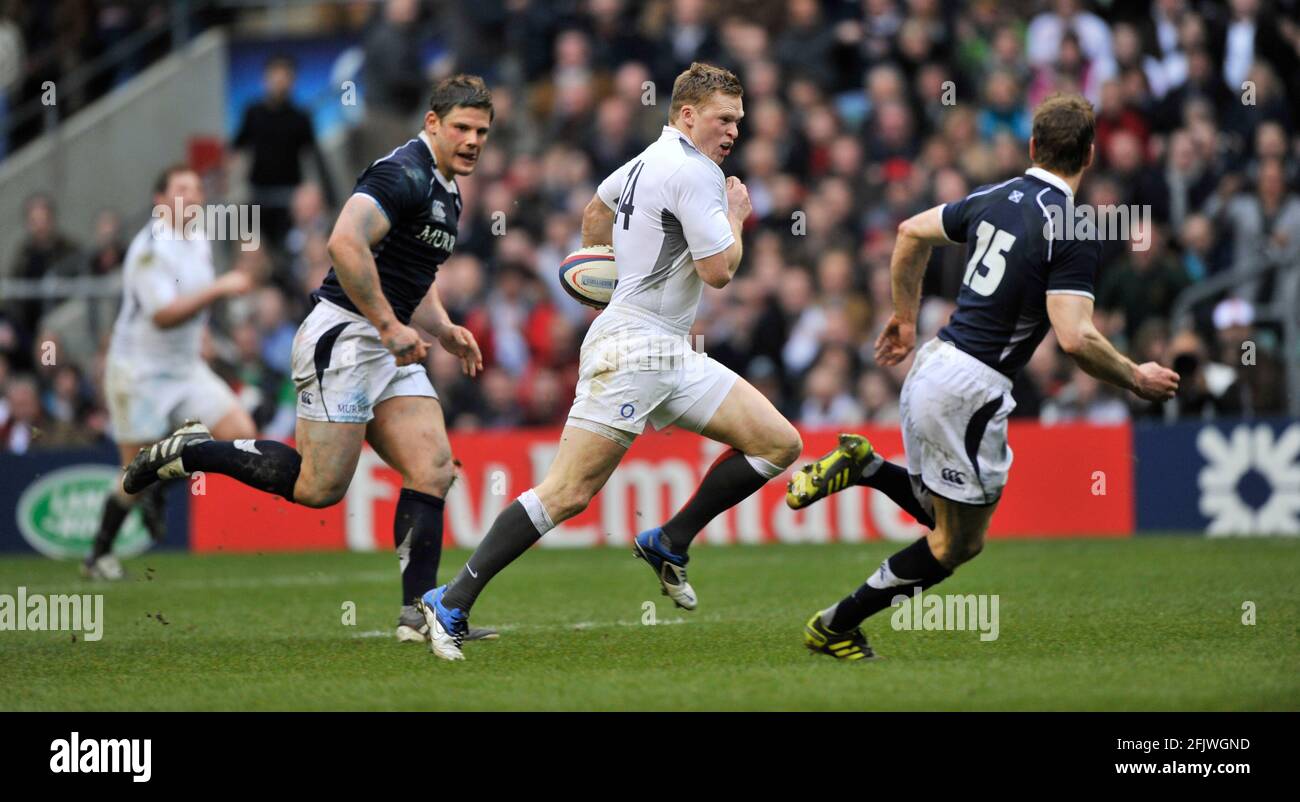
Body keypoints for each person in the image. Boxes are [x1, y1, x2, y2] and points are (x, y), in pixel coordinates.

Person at [417, 62, 804, 662]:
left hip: (666, 348)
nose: (733, 132)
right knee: (569, 491)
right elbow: (720, 272)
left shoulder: (648, 159)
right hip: (634, 348)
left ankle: (669, 540)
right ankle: (451, 601)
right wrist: (736, 217)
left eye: (739, 121)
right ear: (687, 115)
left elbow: (596, 213)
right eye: (724, 120)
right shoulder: (698, 173)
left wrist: (608, 271)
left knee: (778, 443)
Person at [786, 94, 1179, 660]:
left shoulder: (993, 196)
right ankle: (836, 625)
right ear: (1091, 156)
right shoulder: (1072, 226)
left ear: (1031, 147)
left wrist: (902, 317)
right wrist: (1134, 377)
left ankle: (866, 467)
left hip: (932, 365)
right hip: (970, 389)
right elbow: (1076, 337)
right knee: (956, 543)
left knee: (945, 515)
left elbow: (908, 232)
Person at [122, 75, 494, 644]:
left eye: (482, 132)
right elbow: (344, 243)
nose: (473, 140)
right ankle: (194, 451)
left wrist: (441, 328)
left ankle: (420, 614)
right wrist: (389, 324)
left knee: (434, 467)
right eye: (462, 128)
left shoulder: (448, 188)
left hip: (386, 343)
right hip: (344, 339)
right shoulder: (403, 173)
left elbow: (413, 273)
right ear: (433, 123)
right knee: (318, 488)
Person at [88, 165, 257, 580]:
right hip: (138, 372)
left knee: (240, 433)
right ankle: (98, 556)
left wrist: (202, 335)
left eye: (197, 188)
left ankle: (161, 485)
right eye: (181, 189)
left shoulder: (197, 238)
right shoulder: (148, 249)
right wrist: (220, 289)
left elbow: (189, 301)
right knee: (132, 475)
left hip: (184, 368)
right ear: (160, 200)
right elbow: (162, 314)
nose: (192, 196)